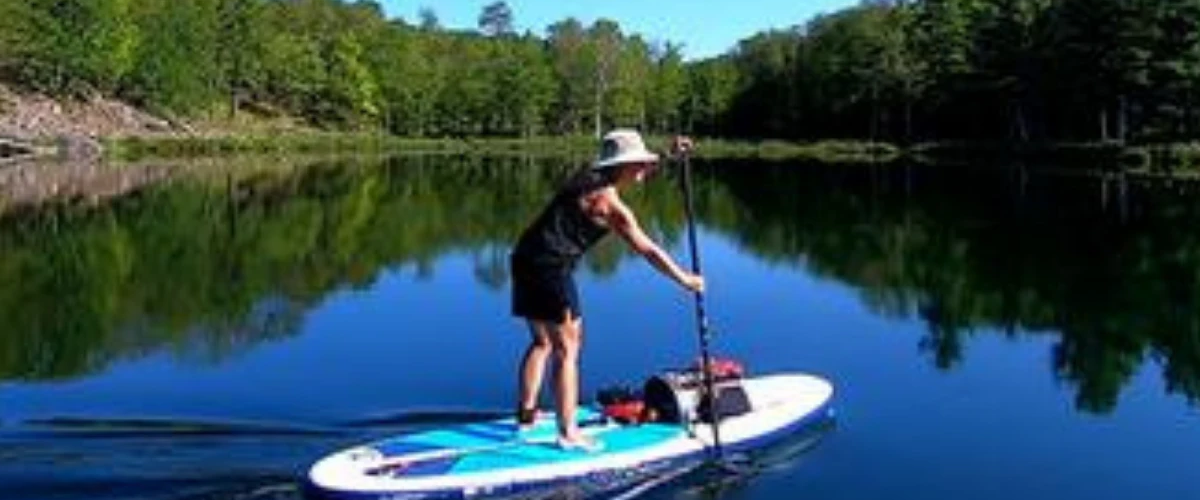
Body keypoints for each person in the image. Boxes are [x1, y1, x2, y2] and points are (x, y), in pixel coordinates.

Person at [509, 129, 705, 451]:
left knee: (542, 342)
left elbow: (634, 170)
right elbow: (649, 251)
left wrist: (668, 155)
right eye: (639, 164)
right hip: (552, 268)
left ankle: (526, 418)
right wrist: (685, 279)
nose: (644, 169)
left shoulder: (586, 176)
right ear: (624, 165)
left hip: (524, 258)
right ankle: (568, 433)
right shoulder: (611, 208)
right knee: (568, 350)